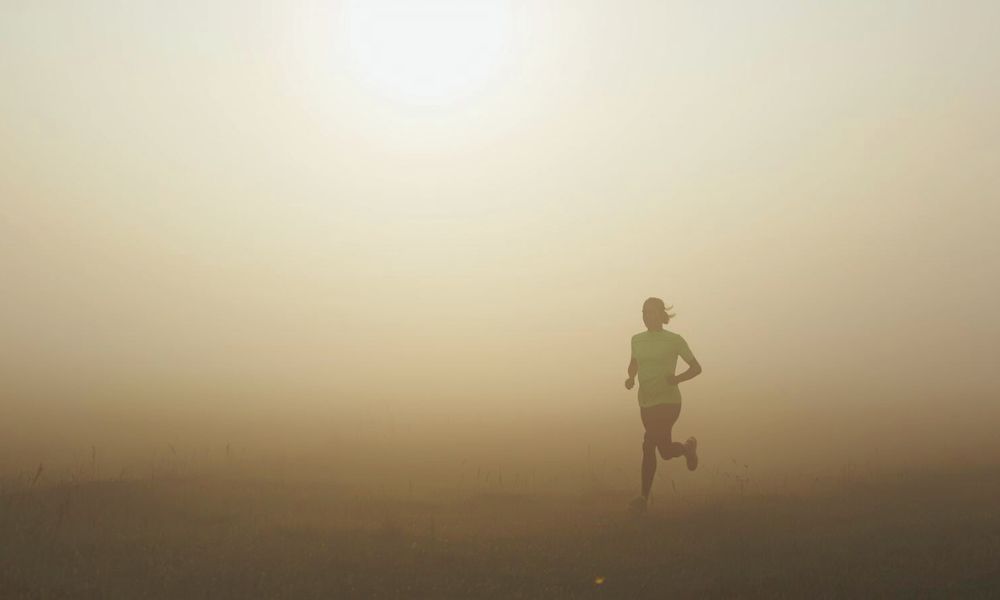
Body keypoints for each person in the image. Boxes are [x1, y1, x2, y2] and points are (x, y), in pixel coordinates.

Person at [625, 297, 702, 514]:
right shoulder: (636, 340)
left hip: (669, 402)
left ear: (661, 315)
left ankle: (642, 499)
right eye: (643, 312)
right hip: (646, 402)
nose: (646, 316)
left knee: (648, 443)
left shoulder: (674, 340)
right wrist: (630, 378)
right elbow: (633, 364)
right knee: (665, 451)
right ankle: (687, 448)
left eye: (650, 312)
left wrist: (677, 379)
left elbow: (696, 368)